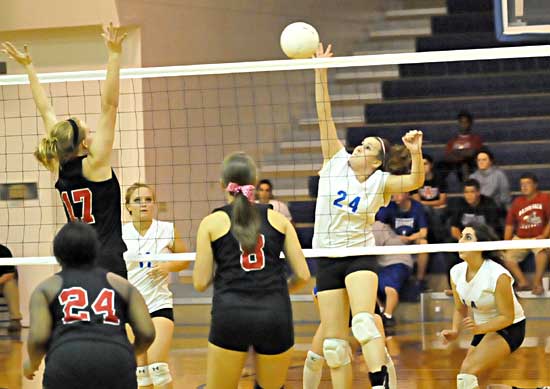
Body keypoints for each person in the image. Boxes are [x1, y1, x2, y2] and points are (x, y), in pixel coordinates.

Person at [312, 42, 424, 389]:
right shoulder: (334, 161)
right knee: (333, 345)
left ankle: (380, 383)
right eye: (360, 144)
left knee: (362, 322)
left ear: (376, 161)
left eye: (368, 148)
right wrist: (320, 71)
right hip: (326, 256)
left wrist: (416, 153)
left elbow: (416, 180)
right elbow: (323, 114)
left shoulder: (381, 182)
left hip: (359, 255)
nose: (359, 148)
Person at [1, 24, 128, 277]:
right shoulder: (96, 164)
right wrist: (114, 55)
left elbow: (46, 110)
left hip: (76, 260)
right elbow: (110, 106)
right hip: (106, 258)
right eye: (88, 131)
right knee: (114, 316)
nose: (93, 134)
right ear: (82, 144)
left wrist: (29, 67)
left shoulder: (59, 165)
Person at [193, 152, 310, 389]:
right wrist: (278, 290)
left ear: (223, 185)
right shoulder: (279, 220)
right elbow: (304, 275)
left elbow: (200, 282)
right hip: (274, 314)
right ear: (255, 183)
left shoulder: (211, 223)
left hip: (231, 314)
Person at [23, 222, 155, 388]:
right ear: (95, 250)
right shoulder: (122, 285)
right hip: (116, 359)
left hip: (66, 360)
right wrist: (130, 352)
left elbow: (38, 338)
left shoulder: (45, 288)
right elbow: (147, 333)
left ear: (57, 253)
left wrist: (32, 363)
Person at [441, 223, 526, 389]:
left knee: (466, 373)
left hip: (509, 327)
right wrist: (455, 331)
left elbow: (507, 317)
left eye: (468, 237)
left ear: (482, 245)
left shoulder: (498, 275)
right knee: (480, 383)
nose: (461, 241)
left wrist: (480, 328)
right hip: (482, 328)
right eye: (461, 237)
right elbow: (460, 308)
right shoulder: (455, 272)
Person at [123, 183, 189, 389]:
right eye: (137, 200)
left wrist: (168, 266)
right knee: (140, 371)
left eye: (148, 199)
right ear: (128, 207)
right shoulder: (119, 233)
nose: (144, 204)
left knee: (158, 368)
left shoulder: (166, 229)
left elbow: (185, 259)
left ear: (154, 204)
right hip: (130, 307)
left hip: (159, 303)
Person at [503, 173, 550, 295]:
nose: (524, 187)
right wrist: (505, 242)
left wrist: (544, 236)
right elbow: (509, 224)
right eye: (522, 184)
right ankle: (523, 282)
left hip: (538, 237)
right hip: (521, 238)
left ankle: (537, 283)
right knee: (506, 257)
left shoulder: (545, 198)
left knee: (542, 252)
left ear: (535, 184)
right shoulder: (517, 202)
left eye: (527, 184)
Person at [376, 192, 429, 291]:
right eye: (394, 193)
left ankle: (420, 281)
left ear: (407, 194)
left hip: (412, 240)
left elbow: (423, 232)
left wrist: (410, 238)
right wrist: (395, 238)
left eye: (398, 193)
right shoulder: (389, 206)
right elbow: (380, 224)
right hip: (395, 241)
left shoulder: (417, 207)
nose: (395, 196)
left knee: (423, 243)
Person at [372, 222, 414, 327]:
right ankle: (381, 310)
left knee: (389, 287)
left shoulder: (376, 226)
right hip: (383, 264)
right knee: (366, 284)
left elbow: (372, 248)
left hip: (398, 260)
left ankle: (388, 316)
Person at [411, 154, 448, 243]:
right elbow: (416, 201)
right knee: (426, 210)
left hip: (438, 209)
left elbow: (443, 200)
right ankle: (434, 239)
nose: (423, 167)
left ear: (431, 165)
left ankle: (437, 239)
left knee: (437, 212)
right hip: (423, 209)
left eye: (425, 164)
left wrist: (426, 204)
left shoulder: (439, 178)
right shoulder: (414, 180)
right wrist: (432, 204)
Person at [438, 111, 483, 183]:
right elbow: (447, 156)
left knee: (465, 164)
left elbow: (472, 153)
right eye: (461, 122)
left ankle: (468, 186)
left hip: (469, 164)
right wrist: (463, 153)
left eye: (466, 122)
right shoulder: (452, 140)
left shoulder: (475, 139)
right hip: (454, 165)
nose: (463, 125)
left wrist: (456, 152)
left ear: (470, 124)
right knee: (440, 165)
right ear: (458, 123)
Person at [469, 148, 511, 212]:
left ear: (490, 161)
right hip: (476, 211)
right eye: (479, 160)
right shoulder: (472, 177)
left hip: (495, 211)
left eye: (484, 160)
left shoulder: (499, 175)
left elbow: (506, 199)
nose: (481, 162)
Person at [0, 244, 22, 332]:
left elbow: (10, 273)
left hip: (2, 282)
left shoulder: (3, 251)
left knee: (10, 284)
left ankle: (15, 320)